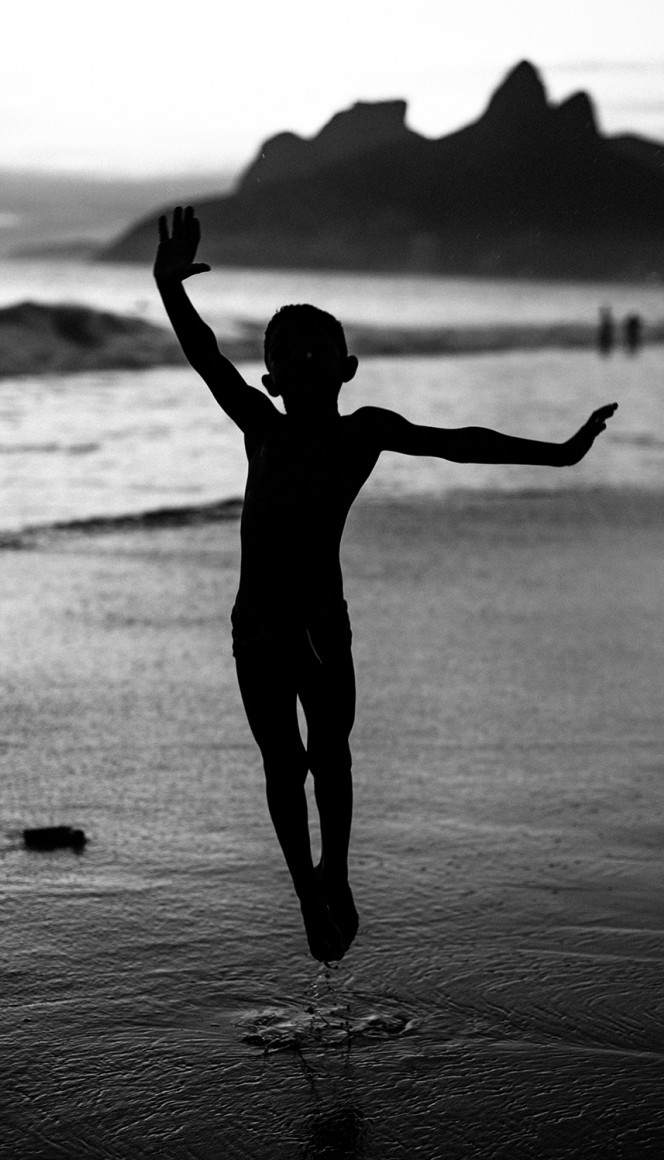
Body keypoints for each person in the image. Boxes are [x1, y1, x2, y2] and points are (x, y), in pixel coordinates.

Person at [154, 206, 618, 964]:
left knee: (331, 753)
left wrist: (561, 453)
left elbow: (461, 443)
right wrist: (168, 286)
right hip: (259, 627)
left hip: (322, 624)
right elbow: (204, 353)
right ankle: (306, 890)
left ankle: (334, 872)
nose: (303, 360)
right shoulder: (260, 426)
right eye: (287, 355)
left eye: (317, 350)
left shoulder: (361, 430)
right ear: (269, 378)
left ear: (347, 367)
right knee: (283, 760)